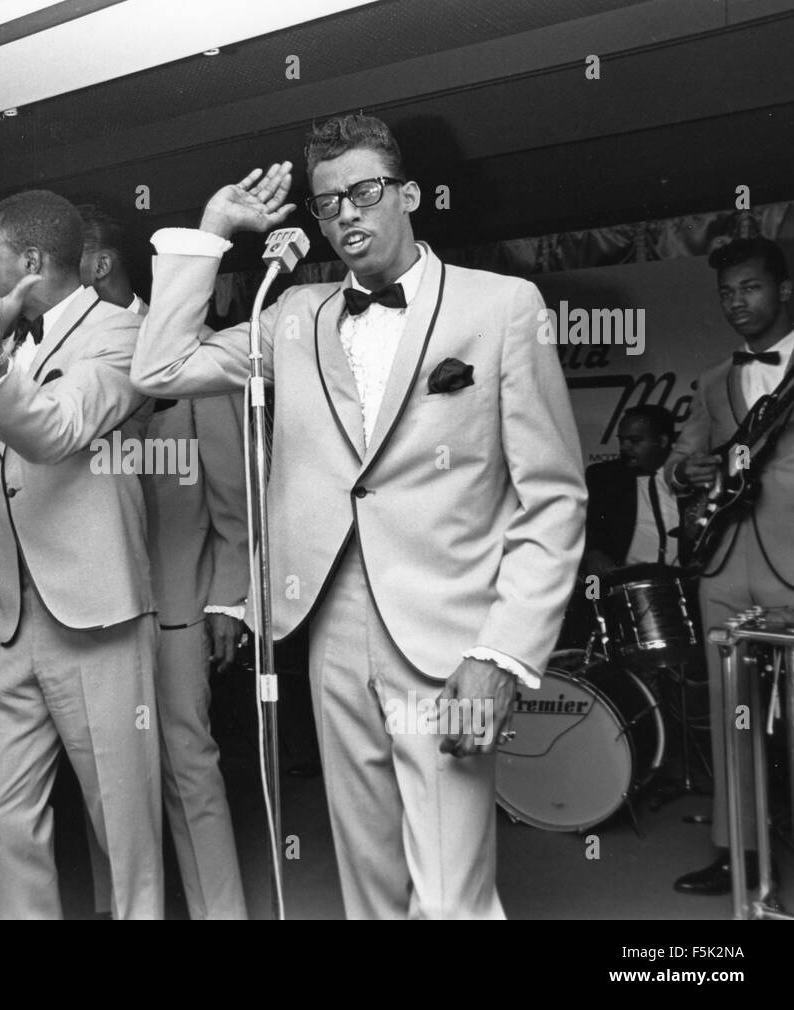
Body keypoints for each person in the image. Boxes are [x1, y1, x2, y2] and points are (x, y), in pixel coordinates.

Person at [132, 112, 586, 919]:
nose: (345, 212)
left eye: (365, 191)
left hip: (452, 640)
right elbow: (162, 363)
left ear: (409, 194)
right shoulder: (292, 316)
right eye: (326, 200)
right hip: (332, 630)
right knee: (368, 886)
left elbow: (552, 497)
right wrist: (211, 233)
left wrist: (503, 653)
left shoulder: (503, 307)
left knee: (451, 897)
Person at [0, 191, 162, 919]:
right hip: (15, 626)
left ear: (33, 261)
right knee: (3, 820)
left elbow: (55, 431)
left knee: (124, 832)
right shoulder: (15, 345)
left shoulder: (122, 334)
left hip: (97, 619)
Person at [80, 203, 249, 919]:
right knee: (106, 774)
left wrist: (228, 599)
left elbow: (234, 492)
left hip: (179, 605)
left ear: (96, 264)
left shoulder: (196, 350)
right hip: (100, 609)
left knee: (187, 767)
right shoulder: (70, 357)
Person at [666, 236, 794, 896]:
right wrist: (688, 469)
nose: (735, 302)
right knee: (731, 714)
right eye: (725, 292)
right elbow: (679, 462)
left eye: (749, 288)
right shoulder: (714, 380)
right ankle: (734, 848)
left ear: (784, 290)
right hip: (724, 567)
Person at [583, 404, 689, 576]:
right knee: (591, 590)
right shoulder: (603, 477)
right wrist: (592, 552)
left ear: (662, 441)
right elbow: (582, 525)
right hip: (627, 584)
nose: (624, 447)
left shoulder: (688, 475)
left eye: (634, 441)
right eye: (621, 440)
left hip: (685, 580)